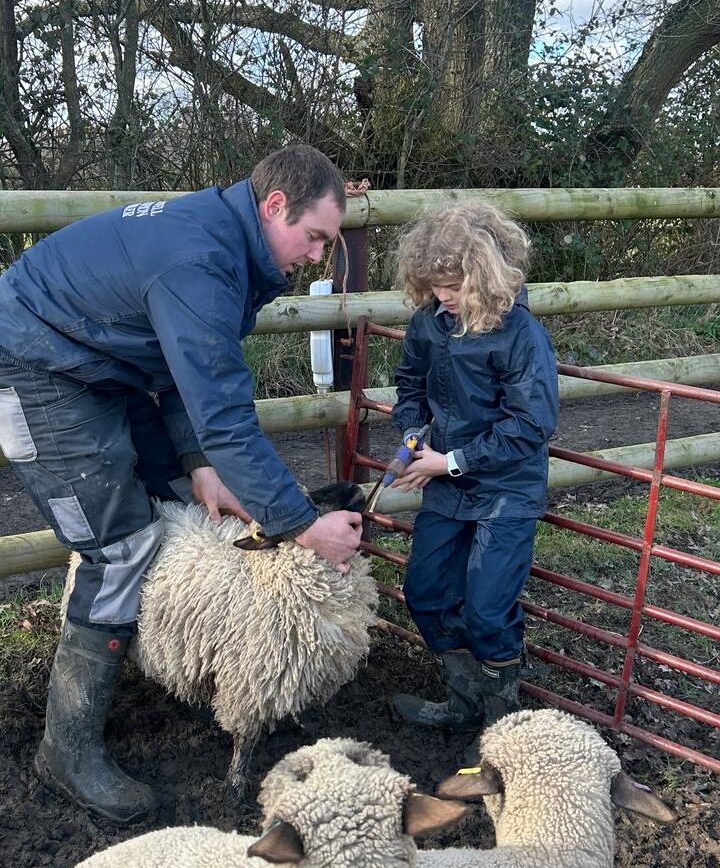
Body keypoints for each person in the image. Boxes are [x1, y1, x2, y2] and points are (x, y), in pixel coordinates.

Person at [0, 144, 363, 823]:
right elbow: (226, 418)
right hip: (34, 365)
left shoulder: (225, 240)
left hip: (98, 361)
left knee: (174, 494)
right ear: (274, 205)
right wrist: (302, 525)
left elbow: (177, 363)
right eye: (314, 238)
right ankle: (67, 748)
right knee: (120, 545)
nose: (317, 257)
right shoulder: (201, 261)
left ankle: (188, 668)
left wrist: (197, 464)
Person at [389, 201, 559, 733]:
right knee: (426, 592)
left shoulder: (520, 334)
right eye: (436, 285)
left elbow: (532, 423)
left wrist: (450, 462)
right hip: (447, 480)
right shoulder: (430, 323)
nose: (444, 297)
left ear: (486, 275)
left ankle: (501, 726)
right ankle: (464, 702)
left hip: (506, 487)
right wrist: (413, 433)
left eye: (455, 286)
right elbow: (411, 382)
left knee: (487, 609)